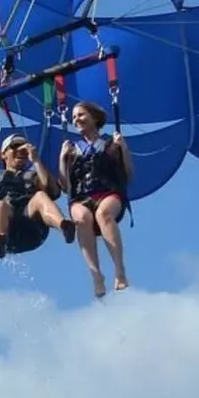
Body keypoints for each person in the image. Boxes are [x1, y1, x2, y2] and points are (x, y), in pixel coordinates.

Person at [58, 99, 133, 297]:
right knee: (82, 219)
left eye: (81, 115)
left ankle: (119, 270)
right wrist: (62, 159)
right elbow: (65, 185)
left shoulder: (110, 145)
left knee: (103, 214)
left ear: (94, 118)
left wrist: (123, 149)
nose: (77, 119)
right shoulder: (72, 149)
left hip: (108, 193)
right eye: (74, 117)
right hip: (81, 197)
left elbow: (128, 174)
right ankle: (96, 275)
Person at [0, 133, 76, 259]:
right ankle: (0, 241)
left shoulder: (34, 176)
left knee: (40, 196)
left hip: (32, 227)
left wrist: (36, 161)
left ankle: (64, 226)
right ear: (3, 154)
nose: (20, 150)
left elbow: (54, 193)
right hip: (8, 229)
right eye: (14, 147)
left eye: (24, 148)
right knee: (0, 205)